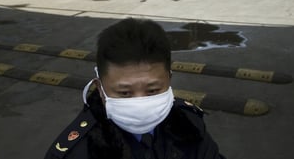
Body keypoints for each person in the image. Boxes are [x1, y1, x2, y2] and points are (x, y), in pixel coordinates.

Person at [44, 18, 226, 159]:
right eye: (124, 93)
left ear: (169, 79)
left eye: (152, 90)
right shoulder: (78, 151)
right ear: (100, 88)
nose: (140, 103)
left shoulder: (189, 126)